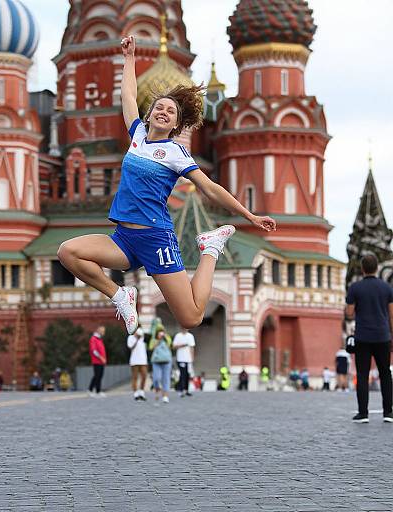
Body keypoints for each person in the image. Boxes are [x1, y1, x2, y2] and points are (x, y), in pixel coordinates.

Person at [57, 35, 276, 336]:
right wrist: (130, 57)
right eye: (159, 107)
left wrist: (249, 216)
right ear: (149, 115)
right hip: (124, 239)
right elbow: (129, 97)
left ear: (175, 125)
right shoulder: (136, 135)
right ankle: (121, 295)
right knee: (68, 252)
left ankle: (210, 247)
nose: (163, 111)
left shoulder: (176, 153)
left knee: (191, 317)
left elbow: (210, 188)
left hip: (156, 239)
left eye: (170, 111)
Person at [346, 254, 393, 423]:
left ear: (362, 269)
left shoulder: (355, 288)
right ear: (377, 268)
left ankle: (363, 413)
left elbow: (349, 313)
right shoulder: (387, 288)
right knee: (385, 374)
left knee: (363, 374)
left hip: (363, 337)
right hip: (382, 336)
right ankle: (388, 412)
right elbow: (391, 315)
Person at [149, 326, 173, 404]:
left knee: (166, 379)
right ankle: (157, 389)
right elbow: (151, 348)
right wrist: (158, 340)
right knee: (156, 378)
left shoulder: (167, 338)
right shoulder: (153, 340)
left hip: (166, 361)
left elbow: (170, 344)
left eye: (162, 331)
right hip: (156, 362)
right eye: (159, 332)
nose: (161, 333)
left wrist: (165, 337)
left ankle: (165, 396)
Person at [172, 327, 196, 397]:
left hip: (188, 359)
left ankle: (186, 390)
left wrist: (192, 358)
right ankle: (181, 390)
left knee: (187, 375)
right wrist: (182, 345)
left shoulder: (190, 336)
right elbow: (174, 346)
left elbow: (192, 347)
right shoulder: (178, 336)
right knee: (182, 374)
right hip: (180, 359)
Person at [127, 326, 148, 401]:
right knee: (135, 377)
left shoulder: (141, 335)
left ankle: (141, 391)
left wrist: (139, 336)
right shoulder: (130, 337)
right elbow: (130, 347)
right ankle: (136, 393)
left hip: (143, 360)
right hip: (134, 360)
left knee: (144, 376)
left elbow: (143, 335)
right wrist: (136, 338)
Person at [88, 326, 107, 397]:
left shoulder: (99, 339)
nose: (103, 333)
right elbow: (94, 351)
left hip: (101, 362)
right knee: (97, 376)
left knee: (99, 376)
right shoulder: (93, 339)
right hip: (97, 361)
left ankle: (97, 391)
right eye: (102, 331)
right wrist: (101, 358)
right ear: (98, 331)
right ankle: (91, 390)